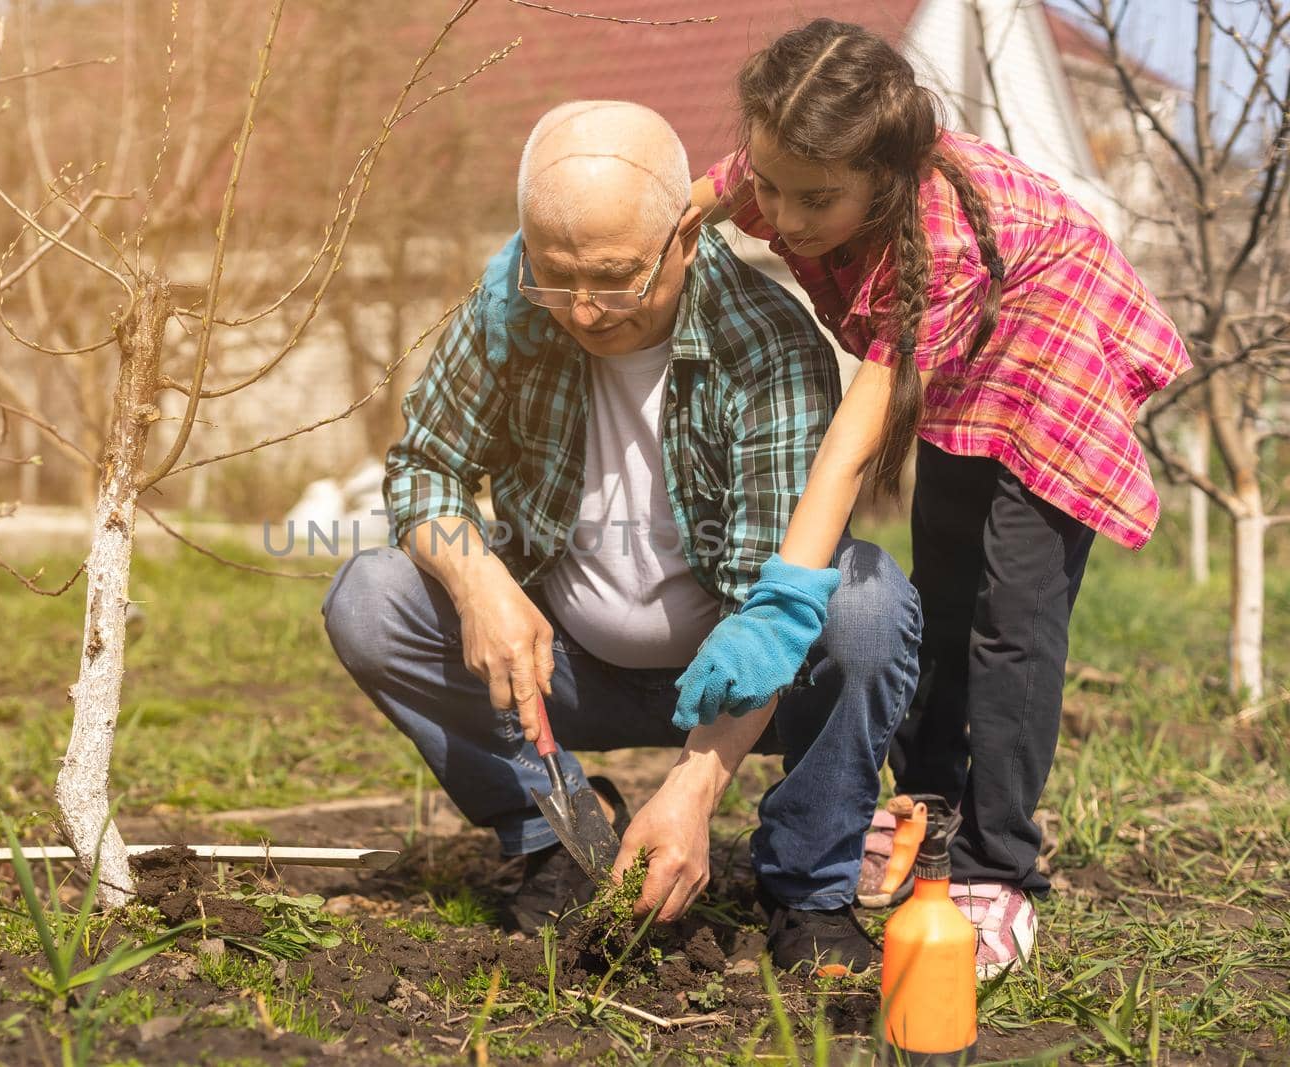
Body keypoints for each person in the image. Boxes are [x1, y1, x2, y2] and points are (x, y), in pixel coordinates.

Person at [322, 100, 921, 975]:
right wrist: (477, 580)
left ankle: (806, 887)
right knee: (369, 600)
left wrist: (694, 789)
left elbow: (777, 604)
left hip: (746, 678)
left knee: (867, 603)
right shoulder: (513, 308)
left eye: (612, 278)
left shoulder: (767, 342)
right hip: (565, 671)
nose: (587, 312)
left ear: (682, 235)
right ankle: (551, 832)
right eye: (556, 277)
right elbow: (424, 467)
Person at [687, 20, 1190, 977]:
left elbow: (852, 439)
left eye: (816, 199)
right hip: (972, 355)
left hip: (1052, 338)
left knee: (1012, 616)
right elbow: (716, 186)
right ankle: (926, 806)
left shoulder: (941, 239)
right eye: (772, 184)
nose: (785, 217)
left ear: (886, 174)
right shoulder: (799, 160)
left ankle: (1000, 868)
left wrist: (786, 599)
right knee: (940, 586)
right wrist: (660, 220)